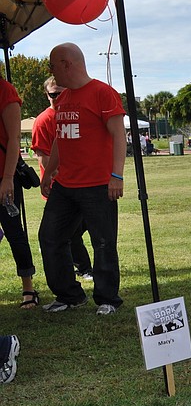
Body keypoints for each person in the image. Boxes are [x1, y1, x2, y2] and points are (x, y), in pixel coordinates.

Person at [38, 43, 126, 315]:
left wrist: (116, 176)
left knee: (103, 242)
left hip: (98, 185)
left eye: (53, 65)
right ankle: (69, 295)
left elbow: (118, 135)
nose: (51, 70)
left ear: (67, 64)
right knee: (50, 237)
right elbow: (59, 142)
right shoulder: (63, 99)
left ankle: (108, 299)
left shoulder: (103, 93)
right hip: (66, 185)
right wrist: (50, 171)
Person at [32, 75, 94, 282]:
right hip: (60, 187)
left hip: (82, 184)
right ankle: (83, 268)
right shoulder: (43, 121)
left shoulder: (73, 114)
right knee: (68, 233)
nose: (58, 97)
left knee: (77, 230)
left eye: (62, 92)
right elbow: (42, 155)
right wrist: (52, 177)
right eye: (53, 94)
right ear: (46, 95)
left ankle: (81, 267)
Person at [0, 75, 39, 309]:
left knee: (14, 232)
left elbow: (14, 139)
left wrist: (6, 179)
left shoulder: (5, 91)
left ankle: (28, 288)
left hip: (5, 177)